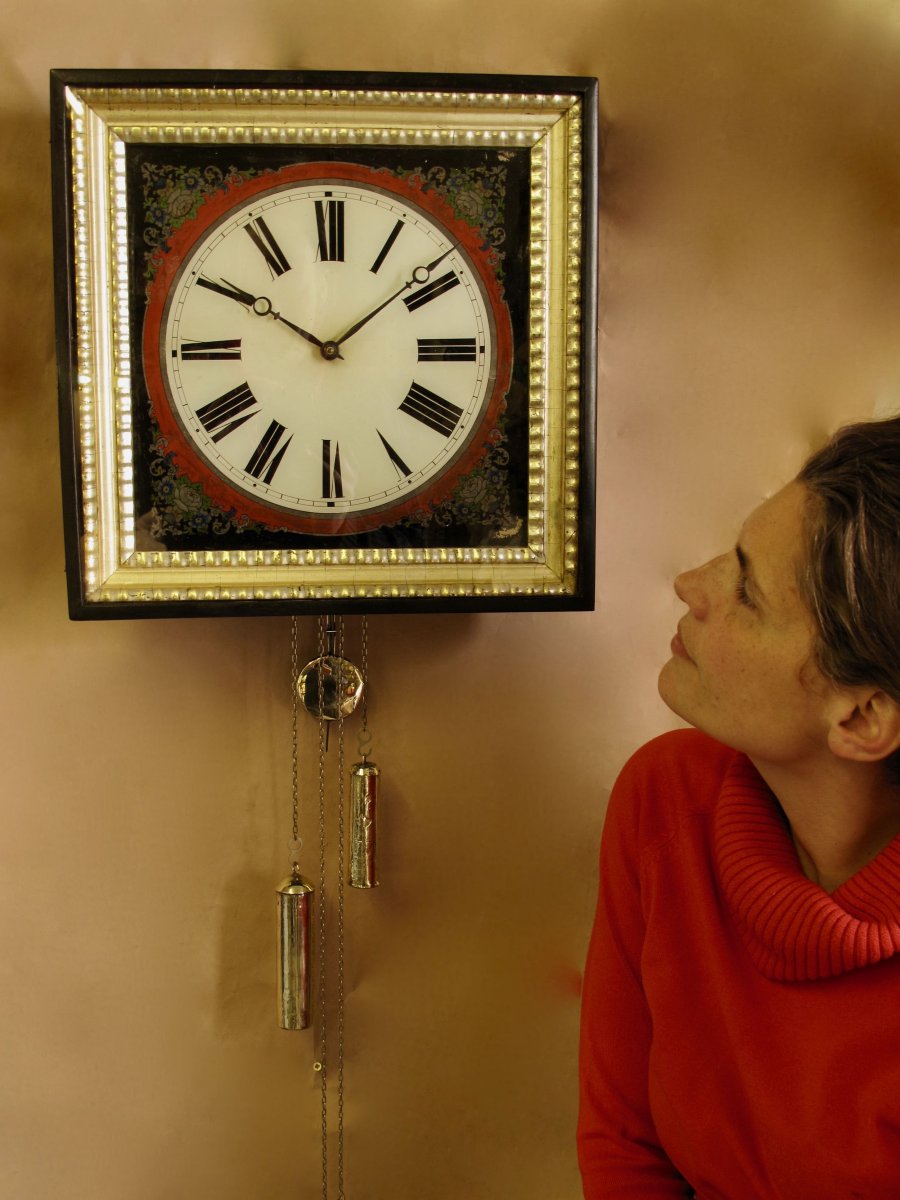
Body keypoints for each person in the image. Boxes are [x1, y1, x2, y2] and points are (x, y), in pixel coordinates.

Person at [577, 415, 900, 1198]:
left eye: (748, 591)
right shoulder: (665, 799)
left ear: (861, 719)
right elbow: (625, 1145)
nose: (694, 583)